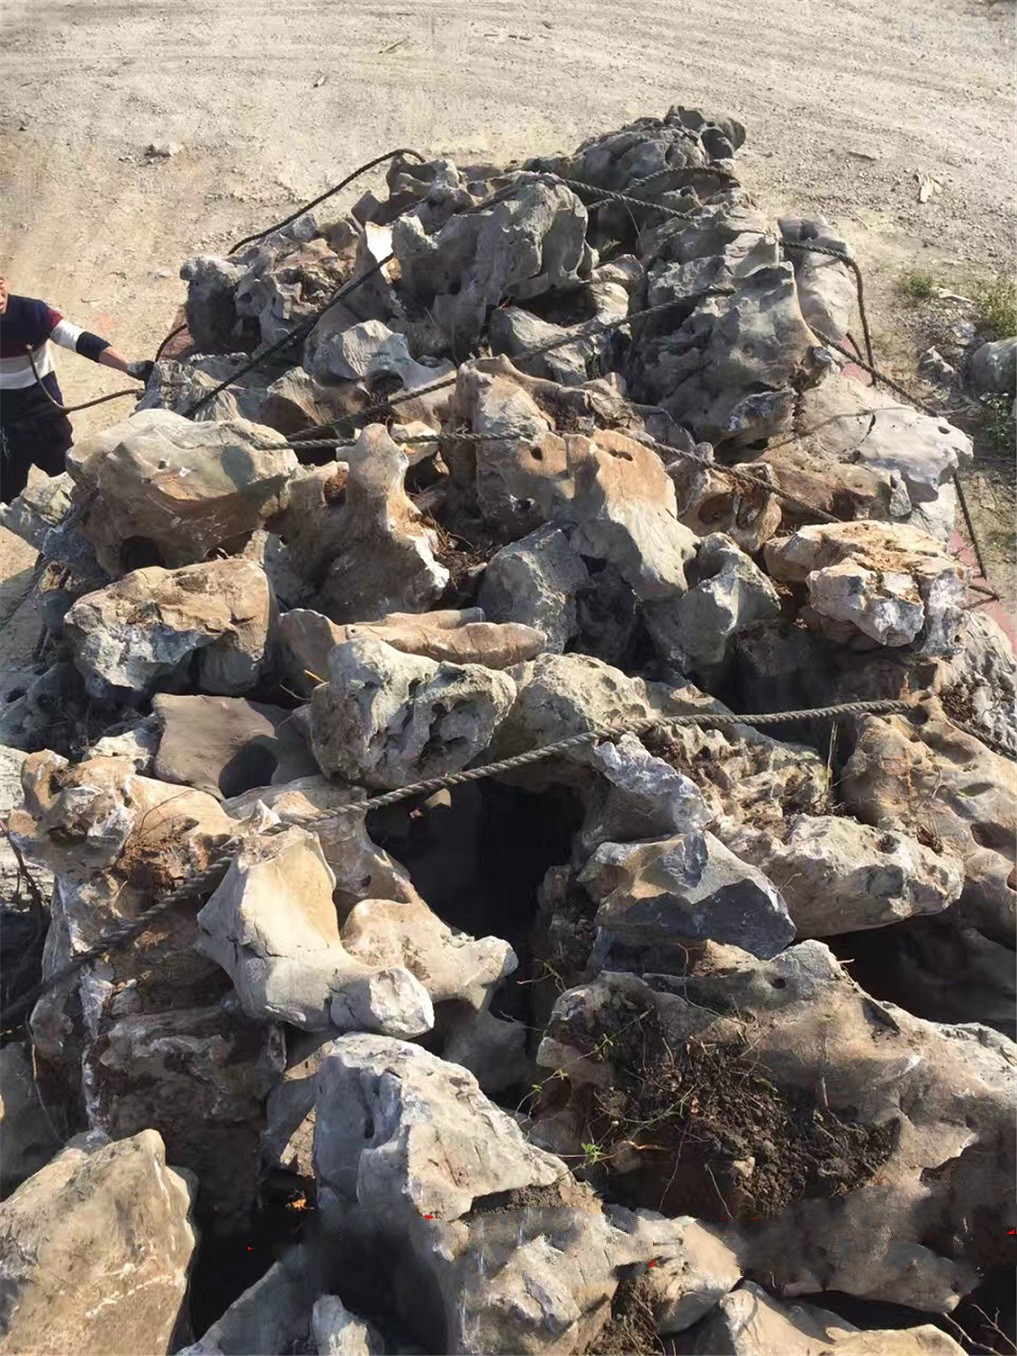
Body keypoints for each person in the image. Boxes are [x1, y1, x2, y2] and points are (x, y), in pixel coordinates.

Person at [0, 273, 153, 501]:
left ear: (5, 281)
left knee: (73, 485)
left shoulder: (32, 313)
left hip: (45, 416)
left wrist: (129, 367)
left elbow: (78, 339)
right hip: (4, 424)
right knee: (5, 495)